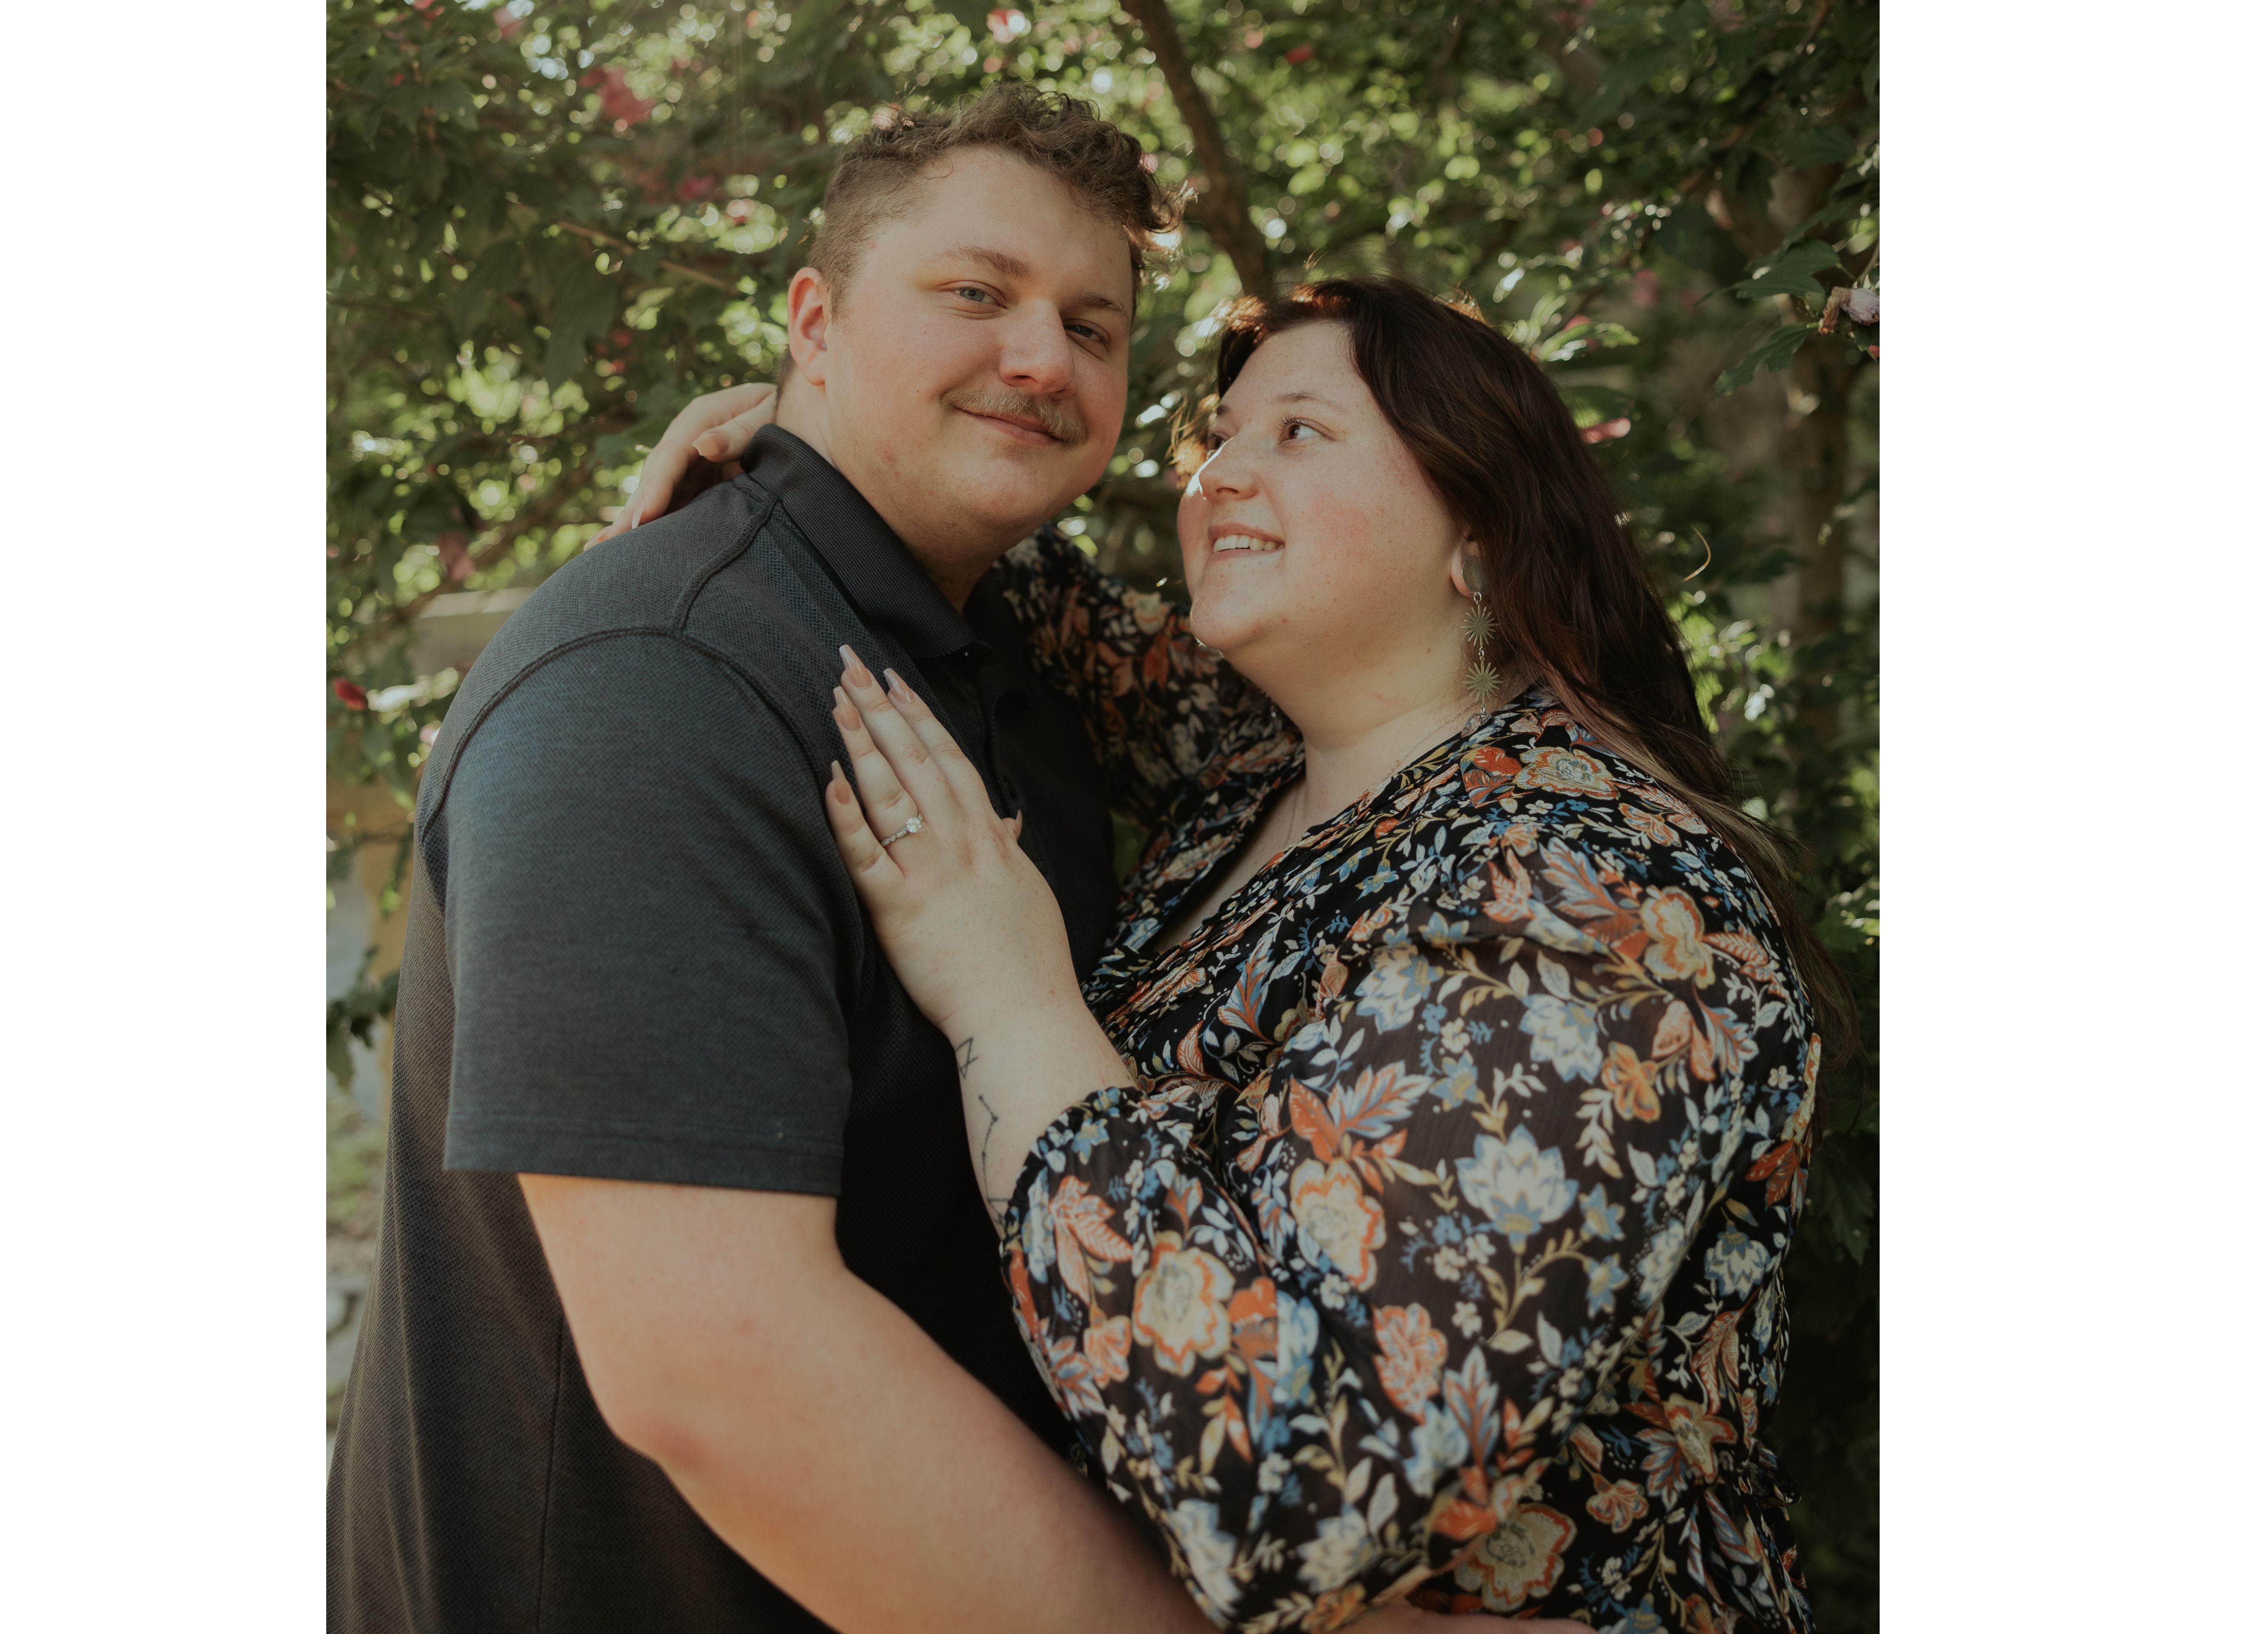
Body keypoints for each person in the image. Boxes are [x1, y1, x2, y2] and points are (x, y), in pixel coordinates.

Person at [630, 278, 1846, 1628]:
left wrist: (1008, 998)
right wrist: (815, 440)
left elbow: (1302, 1493)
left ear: (1482, 535)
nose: (1217, 478)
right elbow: (1016, 586)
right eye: (1219, 440)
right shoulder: (1265, 762)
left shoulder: (1594, 899)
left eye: (1301, 433)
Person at [331, 86, 1264, 1634]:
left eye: (1091, 327)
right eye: (977, 292)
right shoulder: (655, 683)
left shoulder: (1012, 657)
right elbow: (719, 1370)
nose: (1044, 358)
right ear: (813, 324)